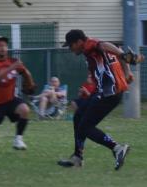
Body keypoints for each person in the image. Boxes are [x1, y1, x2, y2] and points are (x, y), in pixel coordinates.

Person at [57, 29, 137, 170]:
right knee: (78, 116)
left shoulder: (90, 44)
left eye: (71, 45)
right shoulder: (91, 47)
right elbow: (117, 49)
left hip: (109, 92)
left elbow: (104, 45)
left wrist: (122, 55)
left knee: (85, 127)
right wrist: (127, 71)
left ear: (79, 42)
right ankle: (77, 158)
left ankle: (117, 148)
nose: (70, 49)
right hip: (105, 91)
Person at [0, 36, 36, 154]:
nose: (2, 48)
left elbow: (25, 72)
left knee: (25, 109)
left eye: (4, 45)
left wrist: (30, 83)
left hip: (10, 99)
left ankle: (18, 139)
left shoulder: (13, 61)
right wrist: (11, 67)